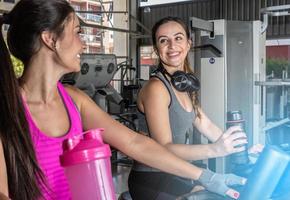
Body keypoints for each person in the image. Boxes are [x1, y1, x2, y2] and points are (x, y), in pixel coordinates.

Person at [0, 1, 245, 200]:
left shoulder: (74, 99)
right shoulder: (7, 109)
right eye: (77, 33)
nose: (82, 43)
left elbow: (135, 143)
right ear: (50, 39)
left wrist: (206, 176)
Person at [128, 16, 249, 200]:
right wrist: (215, 149)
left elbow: (204, 124)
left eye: (178, 38)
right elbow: (164, 148)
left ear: (188, 43)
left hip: (175, 172)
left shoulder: (184, 84)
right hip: (151, 178)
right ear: (156, 49)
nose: (172, 46)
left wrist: (240, 147)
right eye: (163, 41)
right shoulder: (156, 88)